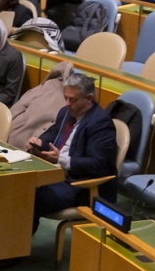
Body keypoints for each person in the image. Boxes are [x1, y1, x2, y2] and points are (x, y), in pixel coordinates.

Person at [29, 72, 118, 230]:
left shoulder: (101, 123)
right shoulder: (66, 113)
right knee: (18, 185)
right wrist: (38, 143)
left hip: (80, 185)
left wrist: (60, 159)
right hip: (56, 175)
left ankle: (17, 250)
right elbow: (49, 138)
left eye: (73, 100)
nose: (67, 103)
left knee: (31, 197)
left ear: (89, 99)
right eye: (66, 98)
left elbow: (97, 164)